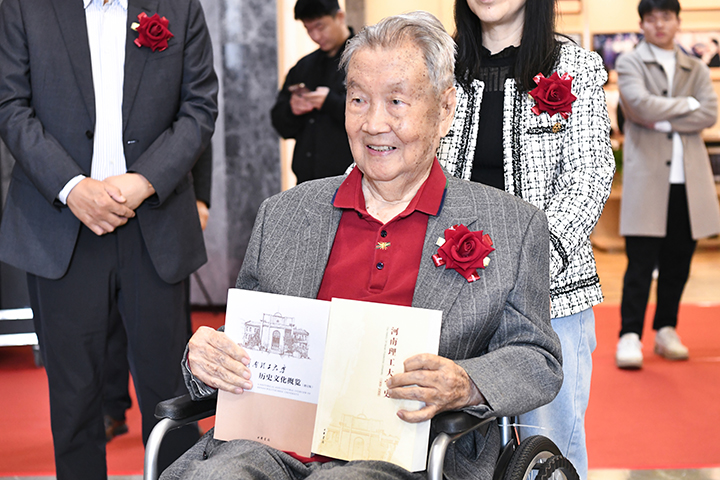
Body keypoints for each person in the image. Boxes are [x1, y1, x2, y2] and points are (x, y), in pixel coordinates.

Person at [161, 12, 562, 480]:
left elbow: (537, 358)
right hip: (270, 445)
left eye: (396, 101)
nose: (373, 124)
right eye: (358, 100)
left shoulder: (510, 224)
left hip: (410, 453)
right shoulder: (285, 214)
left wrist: (468, 383)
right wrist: (207, 358)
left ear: (445, 109)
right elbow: (246, 342)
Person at [0, 0, 218, 477]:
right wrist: (72, 187)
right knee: (74, 395)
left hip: (154, 221)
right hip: (60, 224)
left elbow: (200, 106)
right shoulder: (23, 7)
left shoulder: (178, 7)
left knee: (170, 390)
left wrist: (145, 180)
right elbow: (10, 105)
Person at [436, 0, 616, 477]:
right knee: (448, 451)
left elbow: (589, 177)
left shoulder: (574, 65)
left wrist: (528, 269)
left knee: (550, 453)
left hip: (553, 296)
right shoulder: (439, 65)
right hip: (451, 292)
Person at [615, 0, 720, 369]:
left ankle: (666, 329)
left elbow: (709, 113)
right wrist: (686, 106)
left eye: (666, 17)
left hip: (689, 181)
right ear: (642, 24)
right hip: (648, 178)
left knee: (679, 261)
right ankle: (629, 334)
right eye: (651, 18)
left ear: (677, 21)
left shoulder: (696, 66)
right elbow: (638, 106)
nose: (659, 24)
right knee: (640, 263)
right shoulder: (630, 62)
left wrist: (661, 119)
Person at [103, 145, 215, 442]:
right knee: (106, 325)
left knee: (167, 335)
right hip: (97, 215)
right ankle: (111, 407)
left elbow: (197, 137)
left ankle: (180, 424)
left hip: (165, 213)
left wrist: (201, 198)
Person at [270, 0, 355, 184]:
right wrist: (293, 110)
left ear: (339, 17)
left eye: (320, 27)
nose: (315, 36)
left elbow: (373, 115)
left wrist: (330, 102)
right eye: (308, 29)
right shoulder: (303, 67)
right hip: (306, 181)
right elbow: (279, 123)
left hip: (351, 180)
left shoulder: (364, 60)